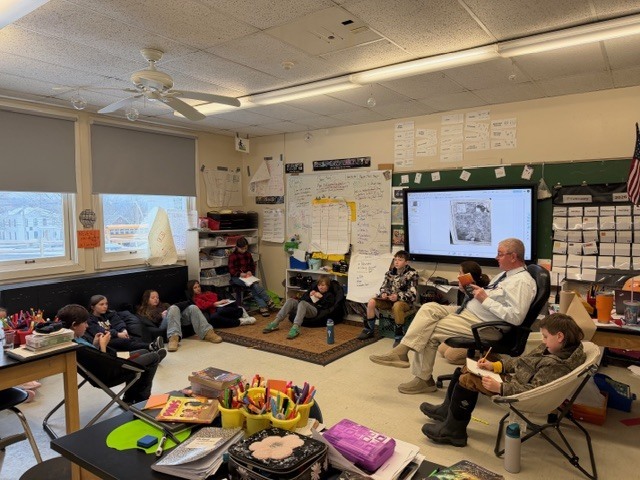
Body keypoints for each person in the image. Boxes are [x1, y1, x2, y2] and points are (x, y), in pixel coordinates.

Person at [369, 238, 537, 395]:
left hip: (485, 325)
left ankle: (422, 378)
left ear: (513, 256)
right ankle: (403, 352)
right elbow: (495, 298)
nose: (496, 257)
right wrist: (472, 292)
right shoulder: (506, 275)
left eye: (500, 254)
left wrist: (483, 299)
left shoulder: (522, 282)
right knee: (428, 308)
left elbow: (516, 317)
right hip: (471, 313)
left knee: (428, 329)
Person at [421, 313, 586, 447]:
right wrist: (496, 366)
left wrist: (500, 387)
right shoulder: (554, 348)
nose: (542, 341)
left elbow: (534, 391)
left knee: (468, 379)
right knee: (470, 366)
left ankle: (454, 431)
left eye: (545, 336)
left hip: (518, 392)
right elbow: (523, 362)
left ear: (559, 336)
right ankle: (447, 411)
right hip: (515, 382)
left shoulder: (555, 366)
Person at [58, 304, 165, 404]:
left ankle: (130, 397)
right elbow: (103, 363)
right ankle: (141, 399)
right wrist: (103, 345)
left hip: (109, 365)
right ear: (74, 325)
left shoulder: (76, 339)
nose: (87, 326)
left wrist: (95, 344)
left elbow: (92, 356)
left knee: (144, 352)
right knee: (154, 357)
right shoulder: (78, 346)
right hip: (109, 372)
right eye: (84, 323)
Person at [358, 250, 419, 341]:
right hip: (389, 300)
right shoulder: (390, 273)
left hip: (404, 303)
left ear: (406, 262)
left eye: (400, 260)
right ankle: (369, 330)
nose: (397, 262)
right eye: (395, 259)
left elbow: (412, 295)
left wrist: (397, 297)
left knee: (397, 305)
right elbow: (384, 287)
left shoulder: (412, 274)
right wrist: (384, 293)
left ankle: (399, 335)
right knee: (371, 302)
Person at [438, 261, 491, 365]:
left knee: (451, 356)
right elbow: (462, 309)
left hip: (475, 330)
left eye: (460, 273)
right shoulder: (468, 291)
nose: (458, 276)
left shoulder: (480, 293)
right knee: (442, 349)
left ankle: (488, 356)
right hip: (466, 326)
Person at [262, 275, 335, 339]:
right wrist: (309, 295)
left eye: (323, 285)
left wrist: (321, 297)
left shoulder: (329, 295)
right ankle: (276, 322)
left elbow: (327, 307)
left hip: (314, 311)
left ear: (327, 286)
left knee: (303, 303)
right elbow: (302, 299)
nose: (320, 287)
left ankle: (296, 327)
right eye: (319, 285)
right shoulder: (314, 290)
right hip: (303, 308)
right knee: (291, 300)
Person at [88, 295, 164, 353]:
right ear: (93, 307)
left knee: (132, 338)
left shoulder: (109, 313)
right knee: (124, 341)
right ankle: (151, 346)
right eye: (101, 304)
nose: (105, 306)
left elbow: (118, 322)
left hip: (116, 336)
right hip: (106, 341)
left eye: (106, 304)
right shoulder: (90, 320)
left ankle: (151, 349)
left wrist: (123, 330)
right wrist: (117, 334)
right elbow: (100, 331)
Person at [164, 284, 223, 352]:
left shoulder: (163, 304)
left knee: (193, 307)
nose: (156, 299)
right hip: (168, 319)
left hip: (180, 317)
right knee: (173, 308)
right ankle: (173, 338)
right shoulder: (150, 309)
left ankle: (207, 332)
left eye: (157, 297)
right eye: (153, 298)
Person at [228, 237, 274, 317]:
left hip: (247, 276)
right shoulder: (232, 256)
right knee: (254, 285)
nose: (244, 250)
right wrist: (240, 274)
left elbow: (252, 266)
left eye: (246, 248)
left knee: (254, 286)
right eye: (242, 249)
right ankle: (267, 301)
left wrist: (250, 271)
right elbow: (232, 271)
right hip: (236, 278)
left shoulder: (248, 254)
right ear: (237, 247)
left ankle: (263, 307)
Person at [187, 279, 257, 327]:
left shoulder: (206, 293)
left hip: (220, 306)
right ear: (191, 289)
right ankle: (240, 321)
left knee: (222, 309)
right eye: (195, 288)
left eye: (198, 286)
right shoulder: (195, 299)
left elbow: (215, 296)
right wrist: (215, 303)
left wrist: (219, 302)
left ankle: (241, 311)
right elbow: (204, 305)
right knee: (214, 317)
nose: (198, 288)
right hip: (214, 310)